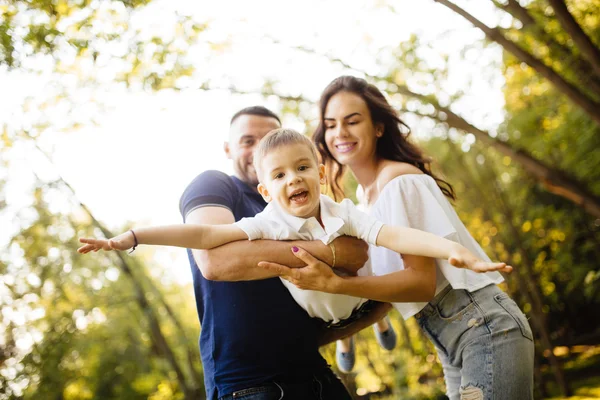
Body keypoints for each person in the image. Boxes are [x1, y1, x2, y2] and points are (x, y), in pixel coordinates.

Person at [259, 76, 535, 400]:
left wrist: (337, 285)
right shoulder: (365, 200)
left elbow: (420, 283)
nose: (340, 133)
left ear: (378, 127)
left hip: (482, 327)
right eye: (331, 125)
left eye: (352, 121)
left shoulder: (398, 181)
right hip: (451, 337)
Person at [92, 106, 389, 400]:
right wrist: (330, 252)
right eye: (248, 140)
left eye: (269, 137)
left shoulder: (293, 206)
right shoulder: (216, 184)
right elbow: (216, 261)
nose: (259, 147)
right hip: (249, 386)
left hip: (317, 375)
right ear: (228, 149)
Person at [79, 128, 510, 326]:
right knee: (351, 274)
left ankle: (373, 326)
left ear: (321, 174)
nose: (294, 180)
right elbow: (205, 237)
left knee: (373, 262)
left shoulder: (341, 211)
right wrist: (134, 237)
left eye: (303, 168)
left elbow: (393, 235)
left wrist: (448, 249)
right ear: (266, 191)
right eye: (280, 176)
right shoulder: (269, 222)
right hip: (327, 320)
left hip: (355, 303)